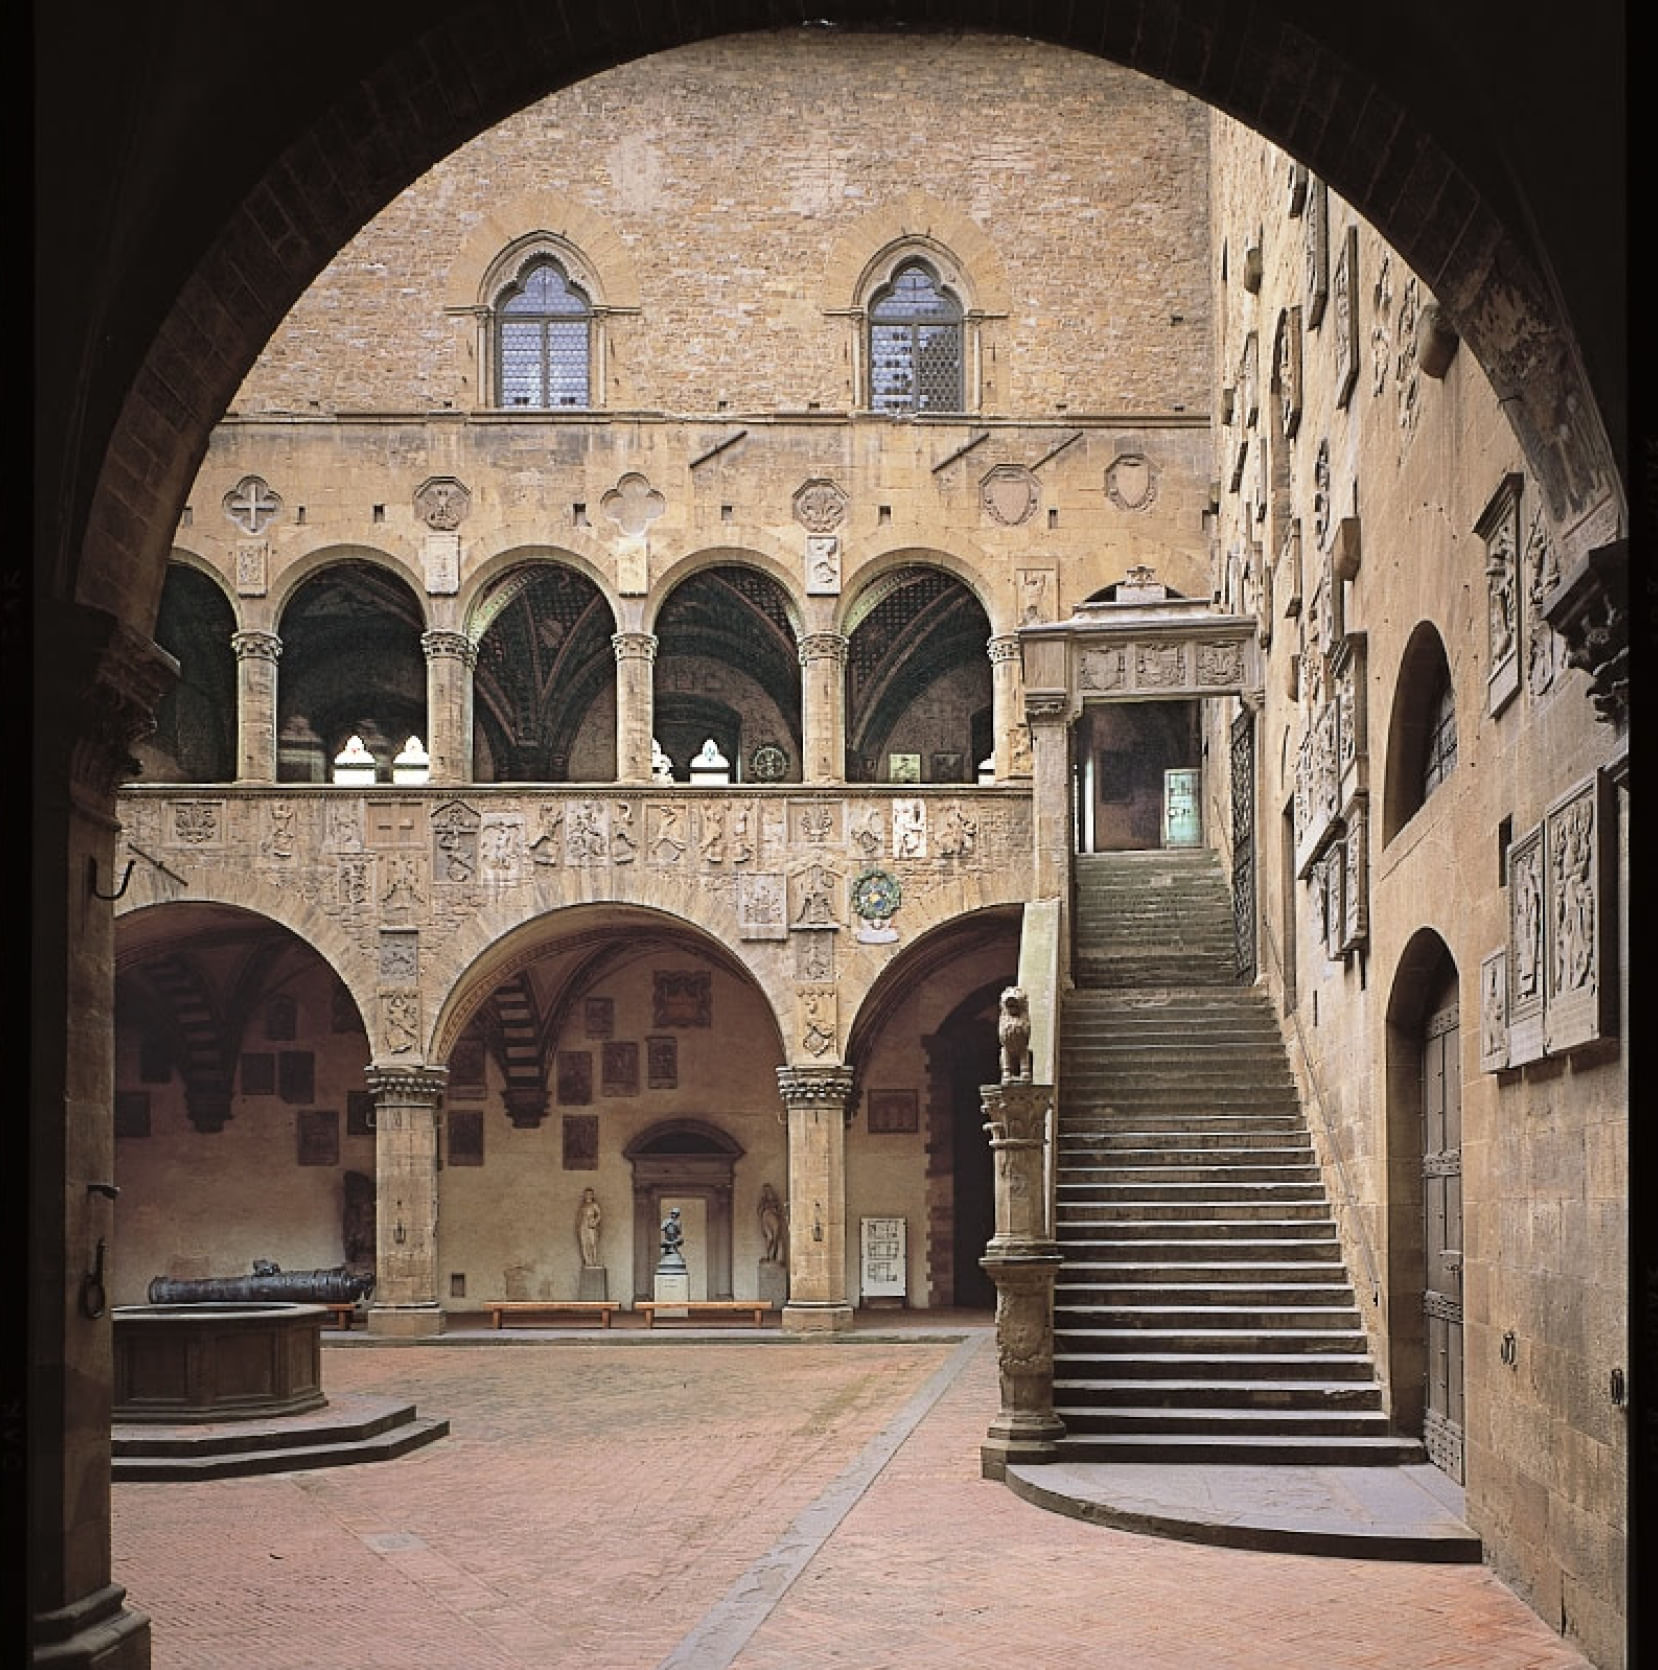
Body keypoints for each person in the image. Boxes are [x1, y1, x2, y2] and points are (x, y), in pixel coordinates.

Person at [577, 1188, 602, 1268]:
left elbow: (599, 1215)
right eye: (586, 1194)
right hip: (583, 1225)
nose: (588, 1195)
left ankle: (594, 1261)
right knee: (584, 1244)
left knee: (592, 1243)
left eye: (590, 1194)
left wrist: (594, 1222)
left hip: (591, 1225)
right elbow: (579, 1217)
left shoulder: (594, 1205)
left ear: (592, 1195)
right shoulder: (583, 1206)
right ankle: (587, 1261)